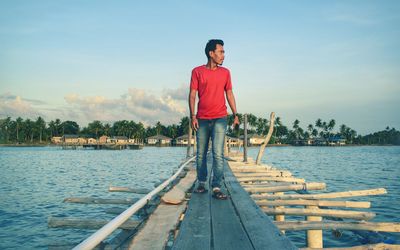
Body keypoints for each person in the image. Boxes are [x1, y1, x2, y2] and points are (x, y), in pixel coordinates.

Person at [188, 39, 240, 200]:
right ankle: (202, 183)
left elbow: (229, 93)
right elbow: (192, 94)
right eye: (221, 52)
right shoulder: (197, 71)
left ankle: (216, 186)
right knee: (201, 154)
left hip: (220, 118)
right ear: (211, 53)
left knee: (218, 154)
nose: (223, 55)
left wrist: (235, 114)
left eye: (223, 52)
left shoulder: (226, 72)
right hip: (202, 118)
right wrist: (193, 116)